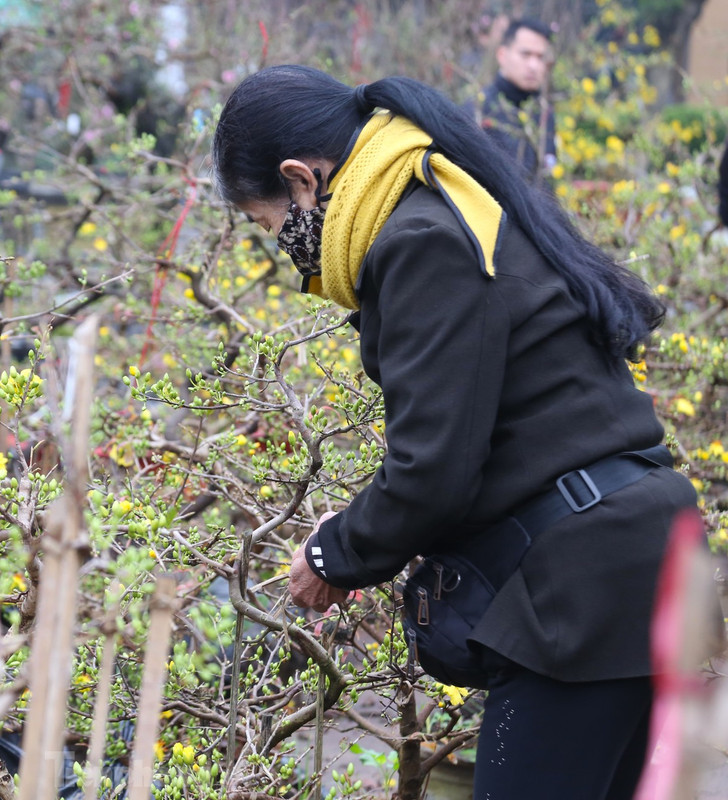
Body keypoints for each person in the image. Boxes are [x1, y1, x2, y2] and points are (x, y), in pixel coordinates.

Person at [213, 65, 699, 799]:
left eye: (268, 223)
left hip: (580, 594)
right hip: (636, 562)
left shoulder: (421, 237)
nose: (281, 245)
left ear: (301, 180)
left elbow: (432, 469)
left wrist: (334, 553)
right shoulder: (452, 204)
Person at [470, 17, 557, 183]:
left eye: (540, 57)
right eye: (526, 54)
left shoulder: (543, 112)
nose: (534, 65)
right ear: (502, 55)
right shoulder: (478, 109)